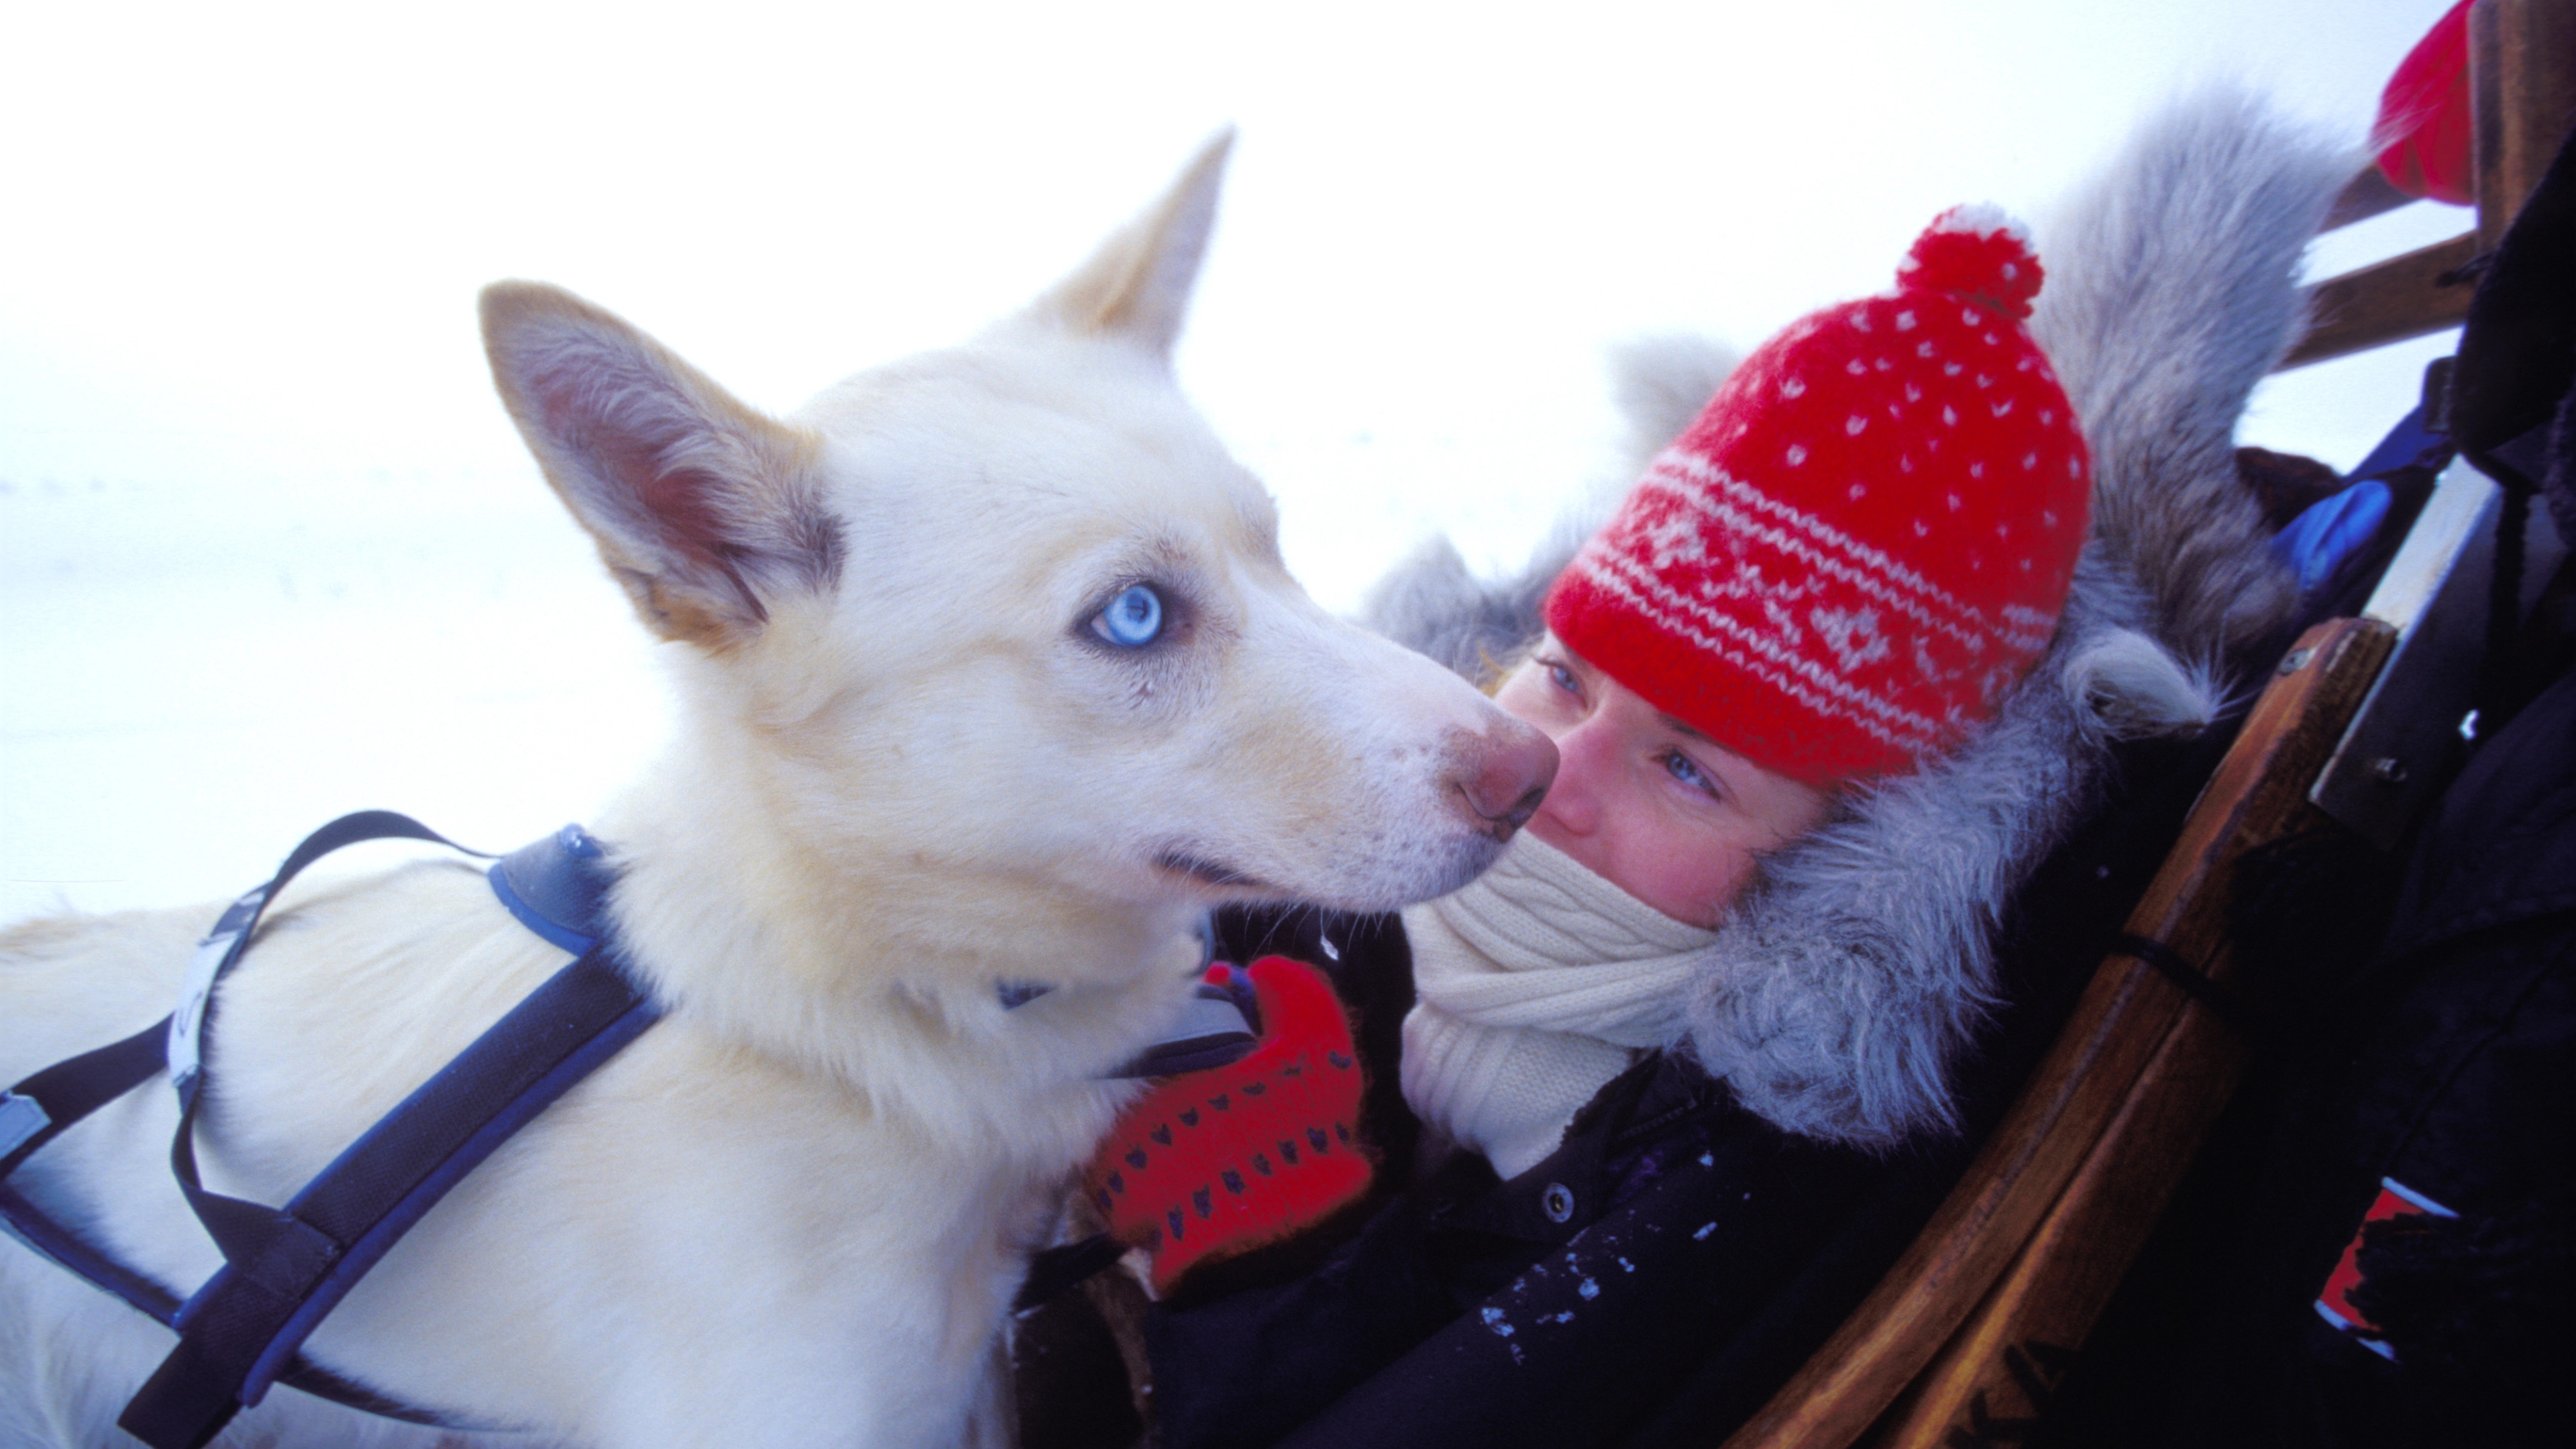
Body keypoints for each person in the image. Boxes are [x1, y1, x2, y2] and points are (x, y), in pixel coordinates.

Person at [1018, 205, 2191, 1449]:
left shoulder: (1709, 1173)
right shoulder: (1388, 875)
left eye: (1686, 770)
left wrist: (1267, 1266)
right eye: (1567, 677)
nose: (1547, 771)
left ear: (1848, 859)